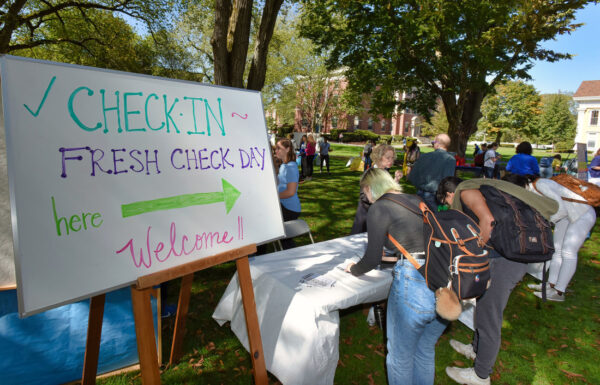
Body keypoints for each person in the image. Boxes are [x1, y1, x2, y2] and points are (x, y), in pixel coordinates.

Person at [440, 178, 558, 385]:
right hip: (506, 257)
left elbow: (488, 222)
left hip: (505, 263)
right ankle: (476, 349)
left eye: (446, 202)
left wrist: (473, 253)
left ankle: (481, 375)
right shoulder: (484, 190)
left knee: (489, 318)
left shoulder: (466, 192)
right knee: (482, 306)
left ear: (450, 194)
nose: (449, 206)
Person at [345, 168, 448, 385]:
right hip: (442, 281)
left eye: (364, 192)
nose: (366, 198)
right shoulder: (416, 200)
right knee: (424, 350)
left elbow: (372, 259)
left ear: (369, 187)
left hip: (414, 283)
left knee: (400, 357)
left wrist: (353, 269)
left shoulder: (380, 207)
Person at [503, 174, 596, 301]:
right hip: (568, 216)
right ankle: (551, 285)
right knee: (556, 250)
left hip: (582, 215)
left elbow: (560, 209)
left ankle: (559, 292)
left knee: (568, 252)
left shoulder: (541, 184)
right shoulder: (534, 189)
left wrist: (544, 223)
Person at [350, 144, 402, 234]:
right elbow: (364, 197)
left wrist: (396, 180)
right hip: (366, 219)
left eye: (392, 158)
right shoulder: (369, 174)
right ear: (379, 157)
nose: (391, 161)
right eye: (388, 157)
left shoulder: (385, 172)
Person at [407, 133, 456, 209]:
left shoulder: (424, 156)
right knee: (433, 219)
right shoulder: (450, 159)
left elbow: (412, 177)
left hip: (423, 195)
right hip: (435, 197)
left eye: (434, 142)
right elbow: (448, 182)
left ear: (437, 144)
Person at [274, 138, 301, 249]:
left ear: (288, 149)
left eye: (279, 148)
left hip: (289, 208)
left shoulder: (290, 167)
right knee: (284, 239)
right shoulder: (284, 166)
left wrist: (273, 197)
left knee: (284, 239)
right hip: (284, 206)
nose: (276, 151)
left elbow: (290, 191)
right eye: (275, 148)